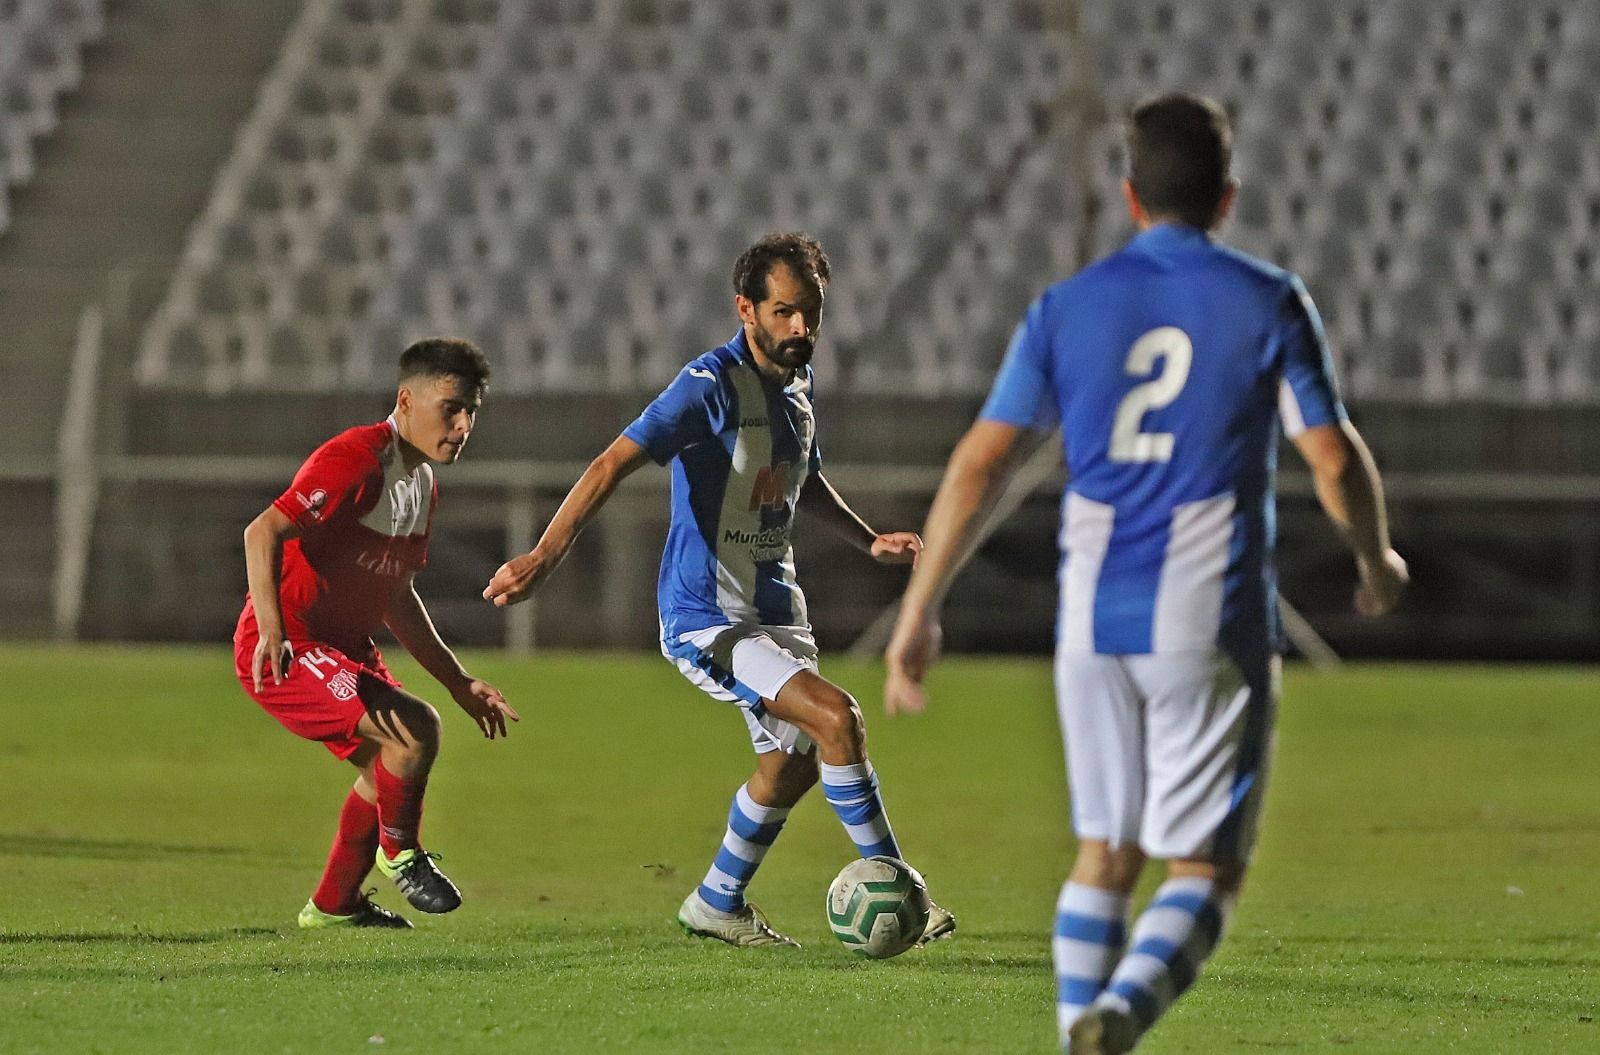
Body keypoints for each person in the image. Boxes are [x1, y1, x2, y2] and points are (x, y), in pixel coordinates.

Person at [882, 95, 1407, 1053]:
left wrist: (920, 609)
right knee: (1204, 872)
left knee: (1105, 855)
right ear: (1228, 198)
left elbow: (977, 462)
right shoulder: (1268, 298)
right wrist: (1376, 560)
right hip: (1205, 617)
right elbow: (1332, 457)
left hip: (1090, 620)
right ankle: (1119, 1014)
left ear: (1129, 197)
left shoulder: (1064, 307)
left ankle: (1080, 1029)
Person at [484, 232, 955, 948]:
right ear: (746, 309)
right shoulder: (707, 387)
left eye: (813, 313)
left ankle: (715, 900)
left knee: (793, 765)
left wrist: (869, 540)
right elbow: (613, 461)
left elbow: (803, 477)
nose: (803, 328)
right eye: (786, 312)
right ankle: (899, 887)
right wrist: (547, 555)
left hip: (777, 612)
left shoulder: (798, 385)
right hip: (711, 617)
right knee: (839, 721)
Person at [237, 337, 519, 930]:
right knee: (416, 731)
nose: (463, 425)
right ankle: (401, 854)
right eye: (450, 408)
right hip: (291, 645)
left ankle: (335, 904)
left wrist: (460, 682)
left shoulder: (422, 486)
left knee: (389, 766)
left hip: (342, 647)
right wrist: (271, 630)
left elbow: (397, 597)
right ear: (405, 400)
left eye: (471, 411)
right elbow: (262, 531)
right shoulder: (356, 459)